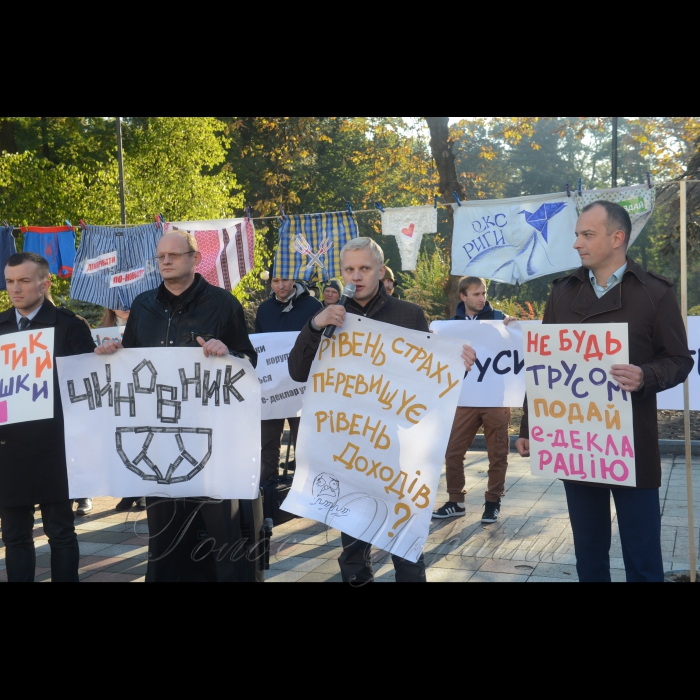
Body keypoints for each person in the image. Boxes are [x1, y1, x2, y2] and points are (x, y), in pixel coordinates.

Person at [516, 201, 694, 583]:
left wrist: (646, 375)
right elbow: (543, 367)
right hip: (576, 445)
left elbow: (679, 359)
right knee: (589, 555)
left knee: (643, 558)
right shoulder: (562, 293)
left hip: (631, 445)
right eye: (577, 234)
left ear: (617, 238)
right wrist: (530, 427)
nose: (577, 243)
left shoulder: (654, 293)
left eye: (587, 234)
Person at [289, 237, 477, 584]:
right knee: (352, 537)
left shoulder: (407, 314)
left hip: (394, 446)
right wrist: (315, 326)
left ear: (380, 270)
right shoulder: (330, 317)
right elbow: (298, 372)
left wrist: (457, 365)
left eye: (364, 268)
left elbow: (429, 376)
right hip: (345, 444)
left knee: (404, 534)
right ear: (341, 272)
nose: (356, 276)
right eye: (349, 269)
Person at [95, 231, 258, 583]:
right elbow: (132, 363)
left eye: (174, 255)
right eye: (160, 257)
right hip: (157, 439)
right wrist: (112, 355)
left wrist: (228, 353)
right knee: (164, 537)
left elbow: (249, 361)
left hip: (209, 440)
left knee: (224, 536)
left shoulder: (223, 303)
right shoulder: (142, 305)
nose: (165, 261)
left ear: (195, 258)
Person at [0, 252, 96, 583]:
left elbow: (88, 391)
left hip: (56, 449)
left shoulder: (70, 326)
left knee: (61, 532)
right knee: (14, 537)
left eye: (24, 281)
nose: (16, 289)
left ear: (45, 283)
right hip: (8, 449)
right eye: (10, 281)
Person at [433, 277, 516, 524]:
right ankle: (455, 501)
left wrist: (516, 328)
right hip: (464, 398)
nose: (482, 298)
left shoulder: (500, 318)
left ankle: (492, 502)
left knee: (498, 453)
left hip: (496, 399)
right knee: (453, 450)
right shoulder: (450, 325)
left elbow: (518, 348)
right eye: (476, 294)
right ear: (463, 297)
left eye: (484, 293)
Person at [255, 276, 322, 483]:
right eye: (275, 281)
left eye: (285, 280)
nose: (280, 286)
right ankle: (268, 496)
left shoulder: (313, 306)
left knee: (305, 447)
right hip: (271, 391)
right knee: (267, 447)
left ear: (294, 280)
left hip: (303, 390)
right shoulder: (264, 309)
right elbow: (258, 348)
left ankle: (306, 494)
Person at [94, 308, 148, 514]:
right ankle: (131, 490)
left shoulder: (147, 323)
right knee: (125, 441)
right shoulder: (103, 330)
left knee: (143, 439)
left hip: (143, 391)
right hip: (118, 395)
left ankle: (143, 492)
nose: (123, 305)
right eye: (117, 301)